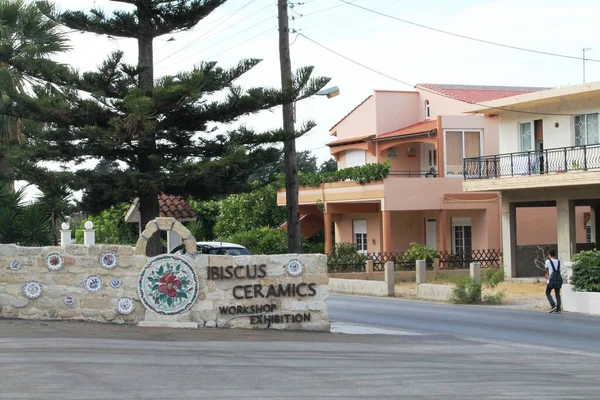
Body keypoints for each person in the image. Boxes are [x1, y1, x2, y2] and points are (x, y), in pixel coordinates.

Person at [545, 248, 562, 313]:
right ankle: (558, 308)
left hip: (551, 279)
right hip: (558, 279)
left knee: (547, 292)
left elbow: (546, 270)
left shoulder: (548, 261)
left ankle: (553, 305)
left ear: (549, 254)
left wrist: (546, 277)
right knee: (557, 293)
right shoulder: (558, 261)